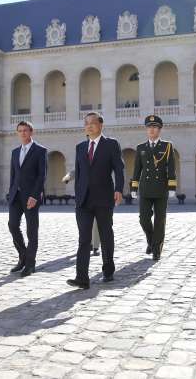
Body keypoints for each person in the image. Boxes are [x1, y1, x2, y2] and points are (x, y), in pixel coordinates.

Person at [67, 112, 124, 290]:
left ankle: (108, 270)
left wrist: (118, 189)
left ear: (101, 125)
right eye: (86, 123)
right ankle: (82, 278)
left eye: (92, 122)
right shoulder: (80, 147)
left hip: (104, 198)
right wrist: (77, 194)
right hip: (83, 200)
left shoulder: (111, 144)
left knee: (106, 235)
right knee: (84, 238)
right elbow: (79, 173)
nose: (89, 126)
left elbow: (119, 168)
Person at [130, 115, 177, 261]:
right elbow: (137, 169)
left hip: (161, 188)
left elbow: (171, 168)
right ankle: (151, 241)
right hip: (145, 188)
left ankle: (156, 249)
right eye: (149, 127)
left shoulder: (167, 146)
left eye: (155, 127)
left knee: (159, 220)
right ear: (146, 129)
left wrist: (172, 187)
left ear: (159, 129)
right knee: (143, 219)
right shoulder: (141, 148)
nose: (151, 129)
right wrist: (134, 187)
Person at [7, 121, 47, 277]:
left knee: (32, 231)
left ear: (31, 132)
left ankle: (30, 264)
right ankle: (23, 256)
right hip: (16, 196)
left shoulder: (40, 150)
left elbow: (42, 176)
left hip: (31, 197)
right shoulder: (15, 152)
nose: (23, 133)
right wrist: (10, 192)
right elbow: (13, 175)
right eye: (20, 130)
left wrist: (35, 196)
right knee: (12, 225)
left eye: (25, 130)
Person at [62, 170, 100, 256]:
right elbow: (75, 171)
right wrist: (68, 177)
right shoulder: (83, 161)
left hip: (97, 196)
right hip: (83, 198)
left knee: (96, 223)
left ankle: (95, 246)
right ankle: (88, 244)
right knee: (84, 224)